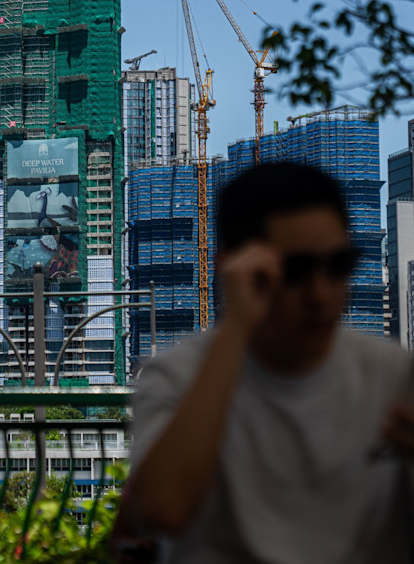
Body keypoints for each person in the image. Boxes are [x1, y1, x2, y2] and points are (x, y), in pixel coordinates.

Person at [123, 162, 414, 563]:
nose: (320, 293)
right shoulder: (177, 375)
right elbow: (162, 509)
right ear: (236, 270)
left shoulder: (391, 374)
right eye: (294, 271)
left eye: (338, 266)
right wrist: (237, 324)